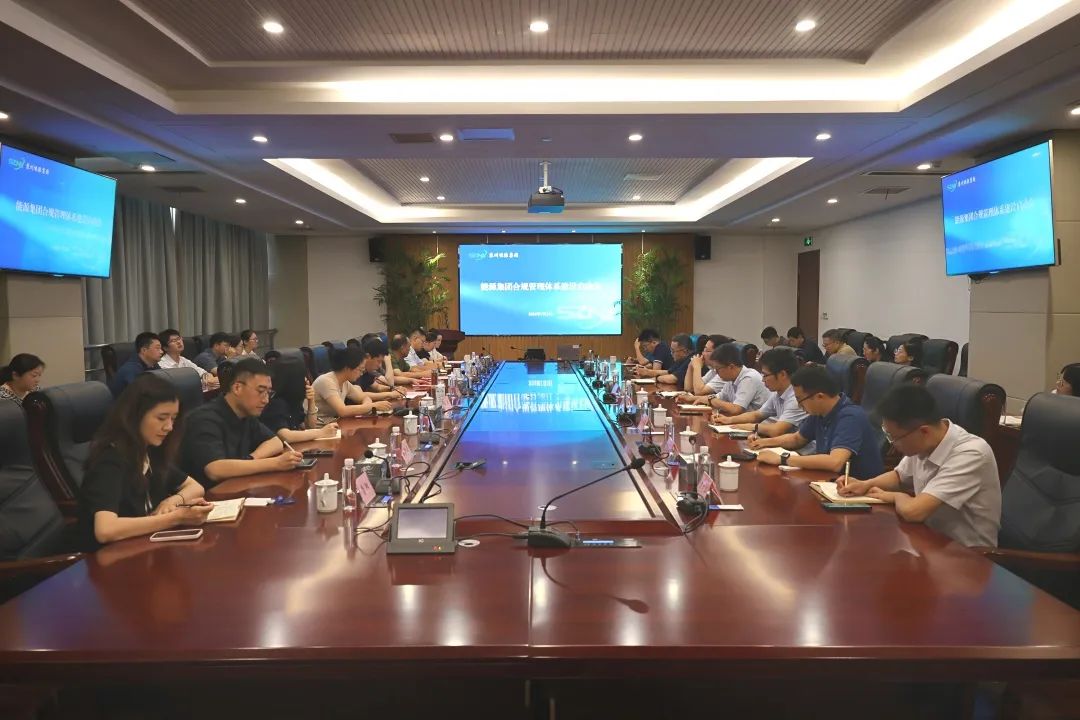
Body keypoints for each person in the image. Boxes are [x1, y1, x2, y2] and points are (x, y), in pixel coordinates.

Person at [838, 384, 1001, 547]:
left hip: (967, 554)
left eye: (894, 438)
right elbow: (899, 476)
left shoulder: (971, 454)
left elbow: (913, 512)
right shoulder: (925, 442)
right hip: (927, 539)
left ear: (924, 432)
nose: (893, 445)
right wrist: (865, 484)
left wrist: (897, 497)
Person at [79, 374, 214, 550]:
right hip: (107, 557)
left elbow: (195, 487)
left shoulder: (149, 452)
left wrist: (172, 502)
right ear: (135, 416)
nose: (169, 427)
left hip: (143, 547)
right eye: (161, 418)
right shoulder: (109, 460)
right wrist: (176, 517)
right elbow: (105, 530)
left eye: (173, 418)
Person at [180, 357, 303, 488]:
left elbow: (275, 442)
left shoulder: (245, 413)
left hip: (237, 487)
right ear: (237, 388)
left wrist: (251, 459)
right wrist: (276, 463)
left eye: (269, 393)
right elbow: (215, 470)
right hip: (210, 495)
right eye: (261, 391)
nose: (266, 400)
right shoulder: (204, 419)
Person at [751, 365, 884, 478]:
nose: (799, 406)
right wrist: (764, 442)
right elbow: (797, 439)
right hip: (829, 482)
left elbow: (835, 462)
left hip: (859, 490)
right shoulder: (820, 412)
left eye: (800, 400)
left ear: (820, 396)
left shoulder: (851, 417)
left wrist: (782, 459)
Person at [712, 348, 808, 438]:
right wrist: (729, 420)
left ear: (782, 374)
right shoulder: (778, 393)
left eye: (765, 375)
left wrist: (750, 426)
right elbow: (757, 415)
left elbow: (776, 430)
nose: (762, 380)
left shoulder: (796, 398)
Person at [312, 342, 395, 425]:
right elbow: (342, 411)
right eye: (360, 370)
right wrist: (372, 406)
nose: (361, 374)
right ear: (347, 368)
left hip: (333, 424)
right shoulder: (326, 381)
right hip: (320, 428)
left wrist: (367, 406)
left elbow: (363, 397)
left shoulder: (345, 383)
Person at [261, 356, 340, 444]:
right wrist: (321, 433)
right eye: (303, 378)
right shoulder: (275, 403)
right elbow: (286, 436)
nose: (306, 381)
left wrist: (311, 401)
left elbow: (310, 426)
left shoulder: (294, 401)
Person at [701, 343, 770, 414]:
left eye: (717, 368)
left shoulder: (749, 378)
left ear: (731, 367)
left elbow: (736, 409)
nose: (716, 372)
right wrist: (697, 399)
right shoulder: (731, 380)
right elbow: (719, 397)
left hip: (762, 420)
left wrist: (712, 400)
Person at [108, 332, 164, 398]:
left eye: (161, 348)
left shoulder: (153, 365)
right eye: (157, 348)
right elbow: (143, 395)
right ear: (144, 350)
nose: (162, 352)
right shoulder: (131, 370)